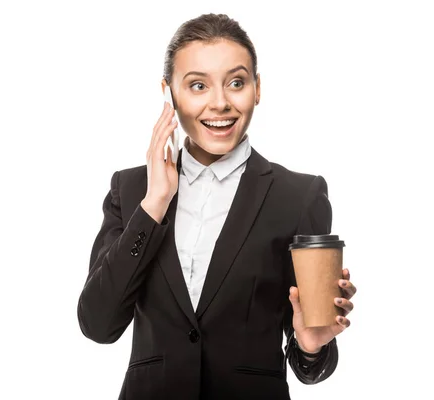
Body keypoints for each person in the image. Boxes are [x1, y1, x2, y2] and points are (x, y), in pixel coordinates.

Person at [77, 13, 357, 400]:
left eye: (237, 83)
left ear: (257, 89)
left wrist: (311, 345)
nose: (220, 103)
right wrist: (154, 204)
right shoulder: (130, 190)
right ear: (169, 92)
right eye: (197, 86)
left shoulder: (299, 196)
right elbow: (97, 324)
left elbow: (309, 362)